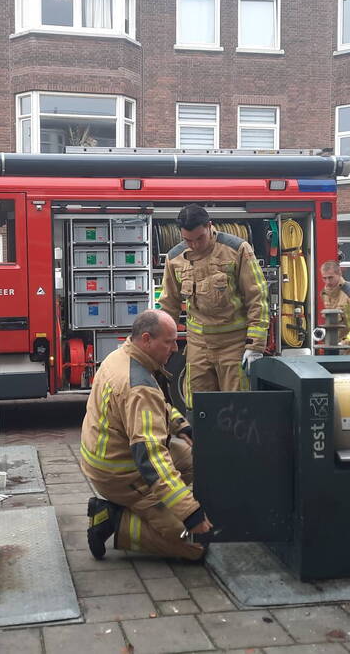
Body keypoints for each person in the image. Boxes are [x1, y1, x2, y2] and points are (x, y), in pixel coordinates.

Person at [82, 309, 213, 561]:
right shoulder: (138, 386)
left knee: (198, 458)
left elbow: (155, 407)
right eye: (169, 341)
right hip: (122, 475)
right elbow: (152, 461)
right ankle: (112, 518)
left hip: (108, 459)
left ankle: (156, 507)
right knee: (196, 545)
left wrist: (181, 426)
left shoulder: (122, 356)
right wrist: (191, 514)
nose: (175, 348)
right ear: (146, 339)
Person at [158, 204, 269, 407]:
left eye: (199, 238)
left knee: (238, 408)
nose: (194, 245)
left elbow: (257, 298)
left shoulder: (237, 249)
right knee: (199, 407)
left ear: (210, 226)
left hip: (234, 346)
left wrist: (255, 347)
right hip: (198, 346)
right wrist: (162, 346)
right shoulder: (174, 258)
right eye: (187, 240)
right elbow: (168, 306)